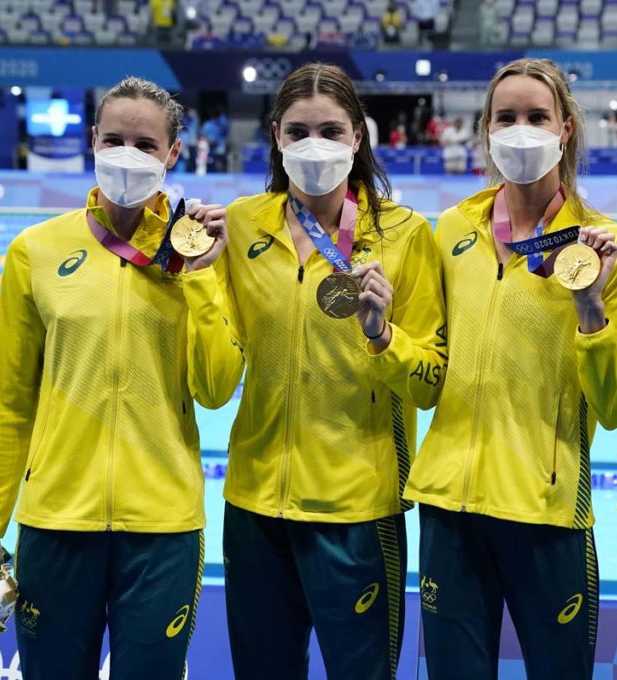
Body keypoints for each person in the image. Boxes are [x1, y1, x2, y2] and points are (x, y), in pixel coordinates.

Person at [0, 77, 233, 679]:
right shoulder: (35, 251)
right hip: (57, 522)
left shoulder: (195, 251)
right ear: (92, 141)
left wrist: (204, 276)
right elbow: (10, 403)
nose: (128, 156)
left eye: (145, 144)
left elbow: (215, 390)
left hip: (162, 528)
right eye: (114, 140)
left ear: (173, 155)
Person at [197, 62, 447, 680]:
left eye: (332, 131)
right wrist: (200, 271)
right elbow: (215, 378)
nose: (316, 145)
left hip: (358, 511)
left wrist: (381, 336)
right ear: (277, 136)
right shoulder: (243, 224)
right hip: (254, 505)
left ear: (358, 138)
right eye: (300, 130)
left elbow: (430, 383)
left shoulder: (406, 235)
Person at [404, 57, 617, 679]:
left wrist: (590, 309)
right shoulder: (455, 229)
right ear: (484, 129)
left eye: (536, 116)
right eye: (505, 117)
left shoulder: (605, 247)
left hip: (546, 512)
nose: (520, 130)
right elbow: (433, 365)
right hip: (449, 507)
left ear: (565, 128)